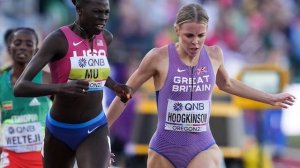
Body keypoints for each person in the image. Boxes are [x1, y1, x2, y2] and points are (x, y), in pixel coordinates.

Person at [106, 3, 296, 168]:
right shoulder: (158, 57)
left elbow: (227, 84)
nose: (195, 42)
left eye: (201, 35)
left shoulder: (214, 55)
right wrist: (102, 134)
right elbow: (125, 94)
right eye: (189, 35)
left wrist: (270, 98)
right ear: (177, 29)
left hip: (201, 147)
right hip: (163, 149)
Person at [13, 0, 132, 167]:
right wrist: (62, 88)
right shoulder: (57, 40)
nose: (103, 18)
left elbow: (96, 71)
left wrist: (115, 86)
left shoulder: (105, 38)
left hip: (94, 126)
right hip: (59, 129)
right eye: (97, 12)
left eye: (106, 13)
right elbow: (20, 87)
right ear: (79, 9)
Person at [0, 27, 52, 168]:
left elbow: (68, 113)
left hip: (41, 156)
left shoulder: (47, 79)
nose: (23, 47)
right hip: (9, 156)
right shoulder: (0, 81)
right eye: (17, 43)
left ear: (36, 51)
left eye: (29, 44)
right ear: (9, 49)